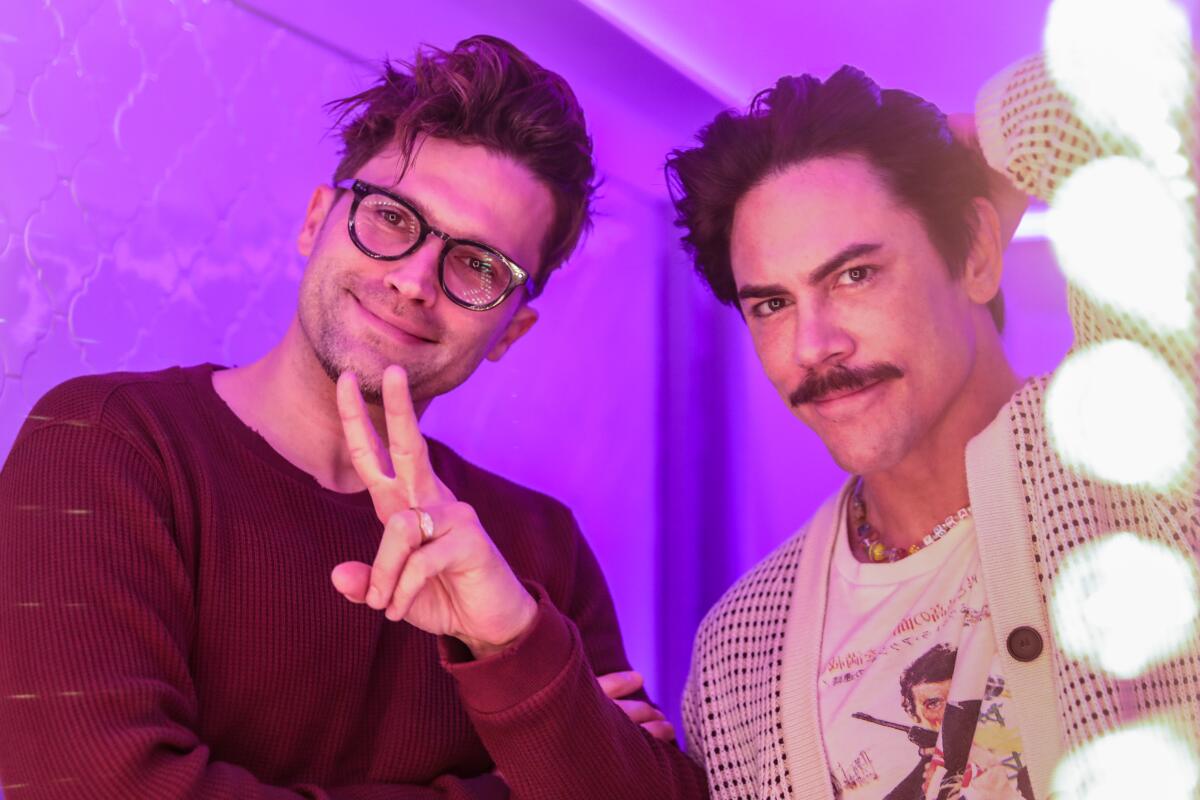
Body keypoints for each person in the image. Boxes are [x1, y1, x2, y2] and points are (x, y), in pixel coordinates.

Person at [0, 35, 707, 799]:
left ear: (512, 328)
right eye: (393, 217)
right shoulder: (103, 445)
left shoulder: (543, 550)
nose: (413, 281)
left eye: (478, 265)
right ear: (316, 221)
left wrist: (513, 644)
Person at [666, 54, 1199, 799]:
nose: (813, 344)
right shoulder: (739, 647)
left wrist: (977, 143)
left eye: (854, 274)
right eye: (772, 305)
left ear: (977, 253)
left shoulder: (1138, 457)